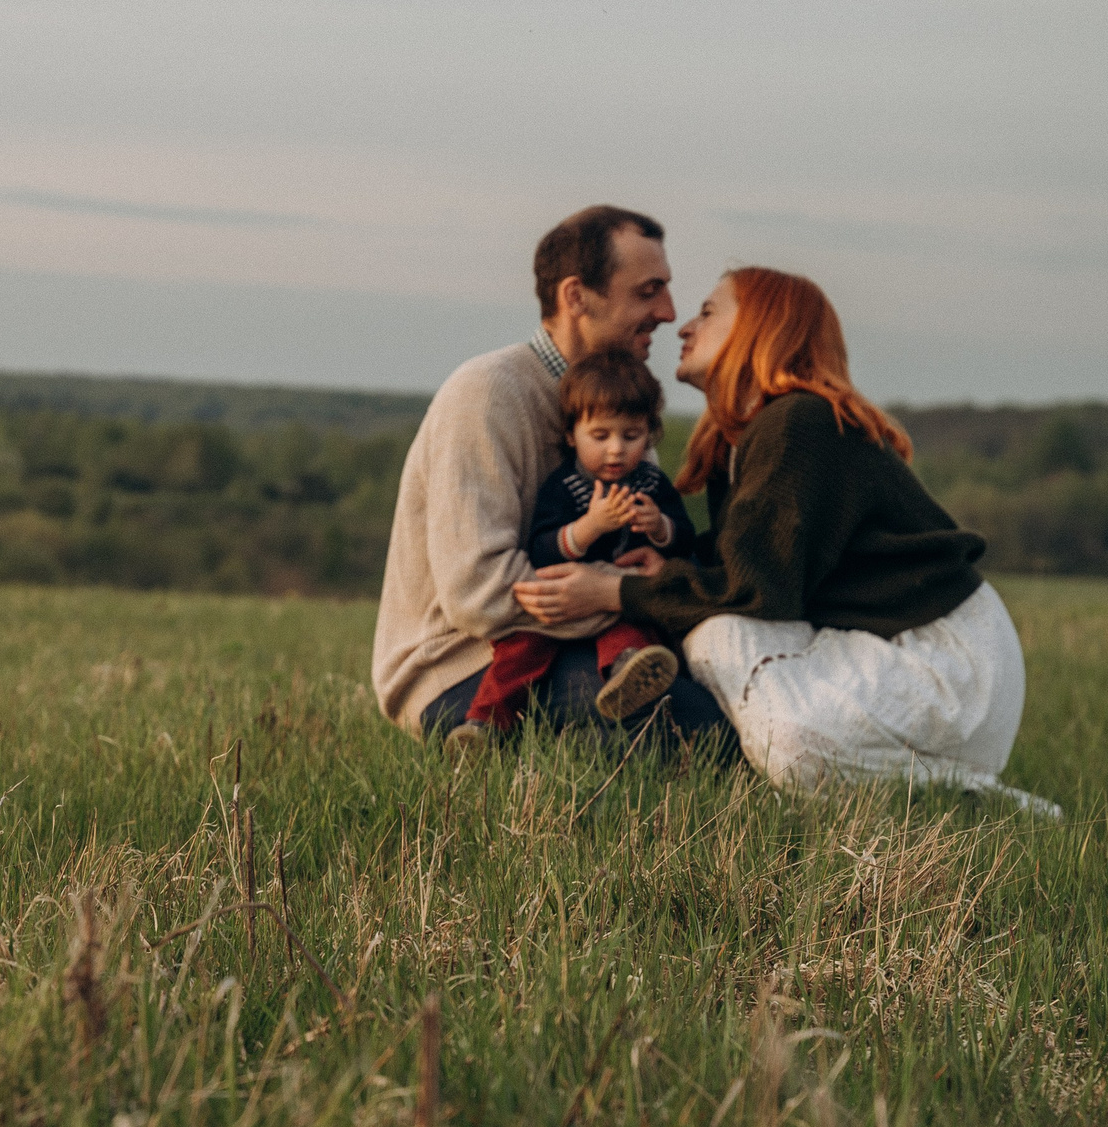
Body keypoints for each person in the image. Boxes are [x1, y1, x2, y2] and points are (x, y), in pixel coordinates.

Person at [513, 266, 1056, 813]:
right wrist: (661, 568)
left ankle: (969, 798)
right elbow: (751, 564)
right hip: (900, 651)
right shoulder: (749, 436)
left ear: (761, 325)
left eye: (707, 312)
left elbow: (756, 592)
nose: (683, 327)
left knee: (720, 641)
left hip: (941, 665)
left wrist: (612, 591)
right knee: (719, 641)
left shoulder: (800, 422)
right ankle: (860, 784)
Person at [371, 204, 733, 749]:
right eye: (647, 291)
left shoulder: (618, 405)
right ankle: (509, 754)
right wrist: (615, 596)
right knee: (702, 729)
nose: (668, 311)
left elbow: (638, 557)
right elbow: (480, 593)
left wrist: (646, 581)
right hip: (460, 665)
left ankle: (562, 756)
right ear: (575, 297)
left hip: (589, 643)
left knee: (728, 695)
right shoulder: (487, 393)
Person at [450, 349, 697, 742]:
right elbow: (542, 548)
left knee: (635, 631)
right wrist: (589, 527)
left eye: (631, 436)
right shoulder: (565, 486)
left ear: (649, 433)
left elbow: (685, 539)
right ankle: (484, 724)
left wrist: (661, 527)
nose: (616, 449)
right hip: (560, 610)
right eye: (600, 436)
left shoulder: (651, 484)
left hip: (616, 603)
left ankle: (627, 680)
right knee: (520, 651)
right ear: (571, 435)